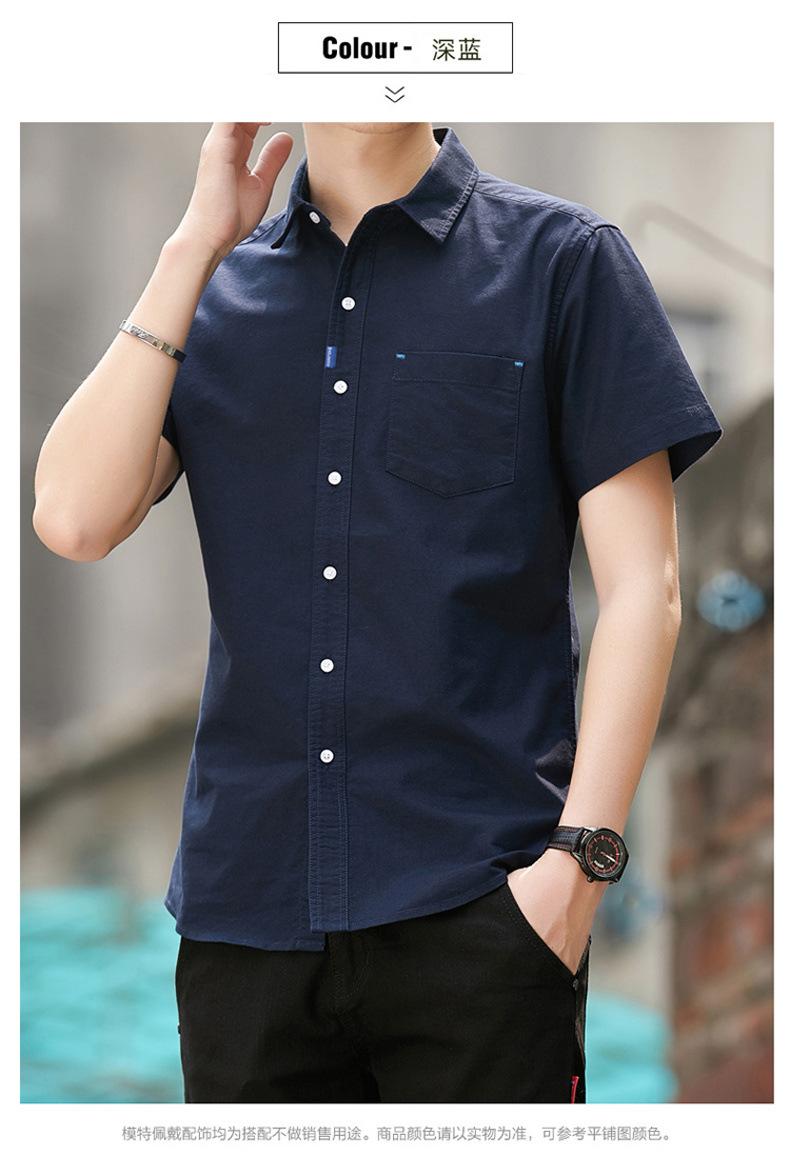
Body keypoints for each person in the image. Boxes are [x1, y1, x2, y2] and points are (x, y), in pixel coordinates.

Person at [32, 122, 723, 1103]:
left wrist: (577, 869)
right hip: (246, 927)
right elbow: (72, 519)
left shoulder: (562, 262)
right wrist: (192, 247)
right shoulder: (212, 295)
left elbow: (645, 589)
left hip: (482, 911)